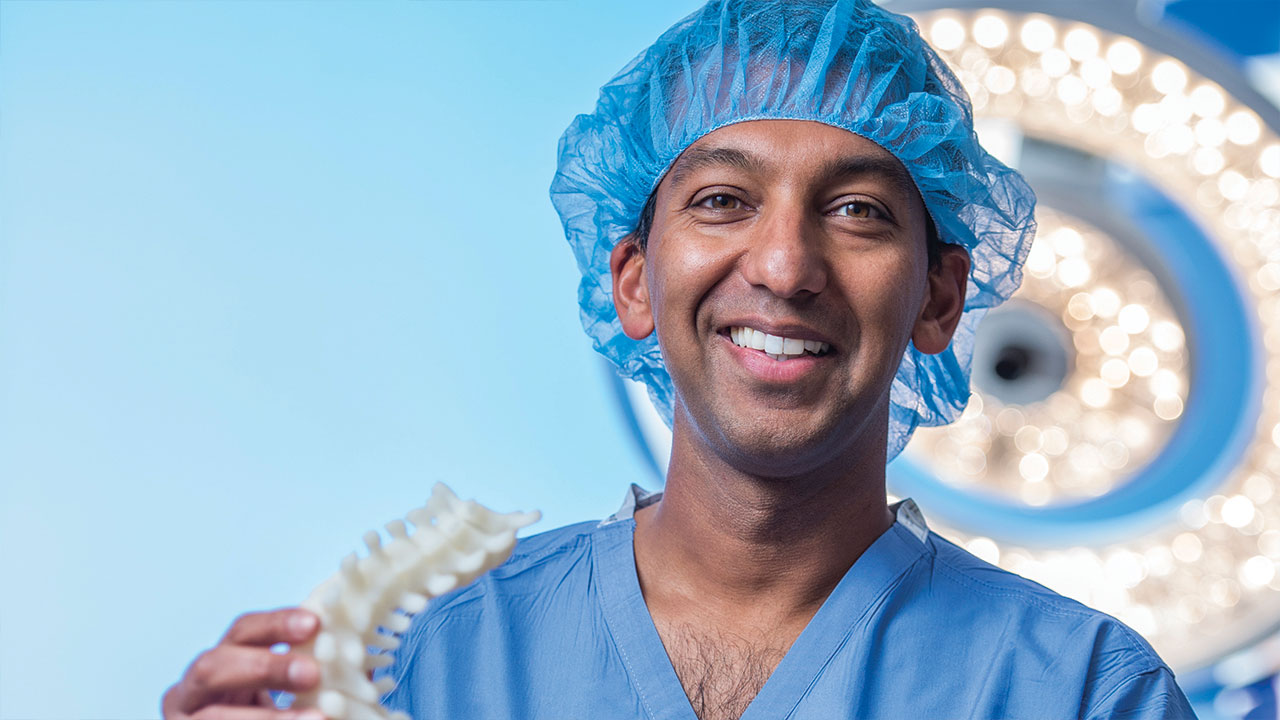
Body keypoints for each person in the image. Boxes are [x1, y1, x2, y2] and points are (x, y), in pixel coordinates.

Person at [162, 1, 1199, 719]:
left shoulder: (1077, 693)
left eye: (855, 210)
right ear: (632, 283)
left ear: (936, 296)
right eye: (720, 201)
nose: (786, 266)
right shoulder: (433, 659)